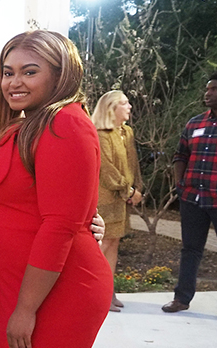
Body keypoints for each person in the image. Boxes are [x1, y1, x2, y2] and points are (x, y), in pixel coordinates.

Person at [0, 30, 111, 348]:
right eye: (8, 73)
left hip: (55, 292)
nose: (14, 82)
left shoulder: (65, 125)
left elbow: (60, 225)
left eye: (30, 71)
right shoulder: (26, 125)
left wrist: (25, 309)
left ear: (60, 74)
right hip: (13, 286)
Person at [163, 71, 217, 313]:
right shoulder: (195, 123)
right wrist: (180, 183)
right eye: (207, 89)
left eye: (214, 89)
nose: (207, 93)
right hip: (192, 198)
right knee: (190, 249)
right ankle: (182, 299)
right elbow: (180, 155)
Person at [91, 90, 143, 312]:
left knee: (114, 245)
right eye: (124, 103)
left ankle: (109, 293)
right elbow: (107, 170)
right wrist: (128, 191)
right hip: (105, 198)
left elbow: (133, 163)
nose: (129, 106)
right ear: (111, 108)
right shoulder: (101, 134)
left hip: (122, 199)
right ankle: (94, 294)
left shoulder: (127, 132)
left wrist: (137, 188)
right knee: (101, 247)